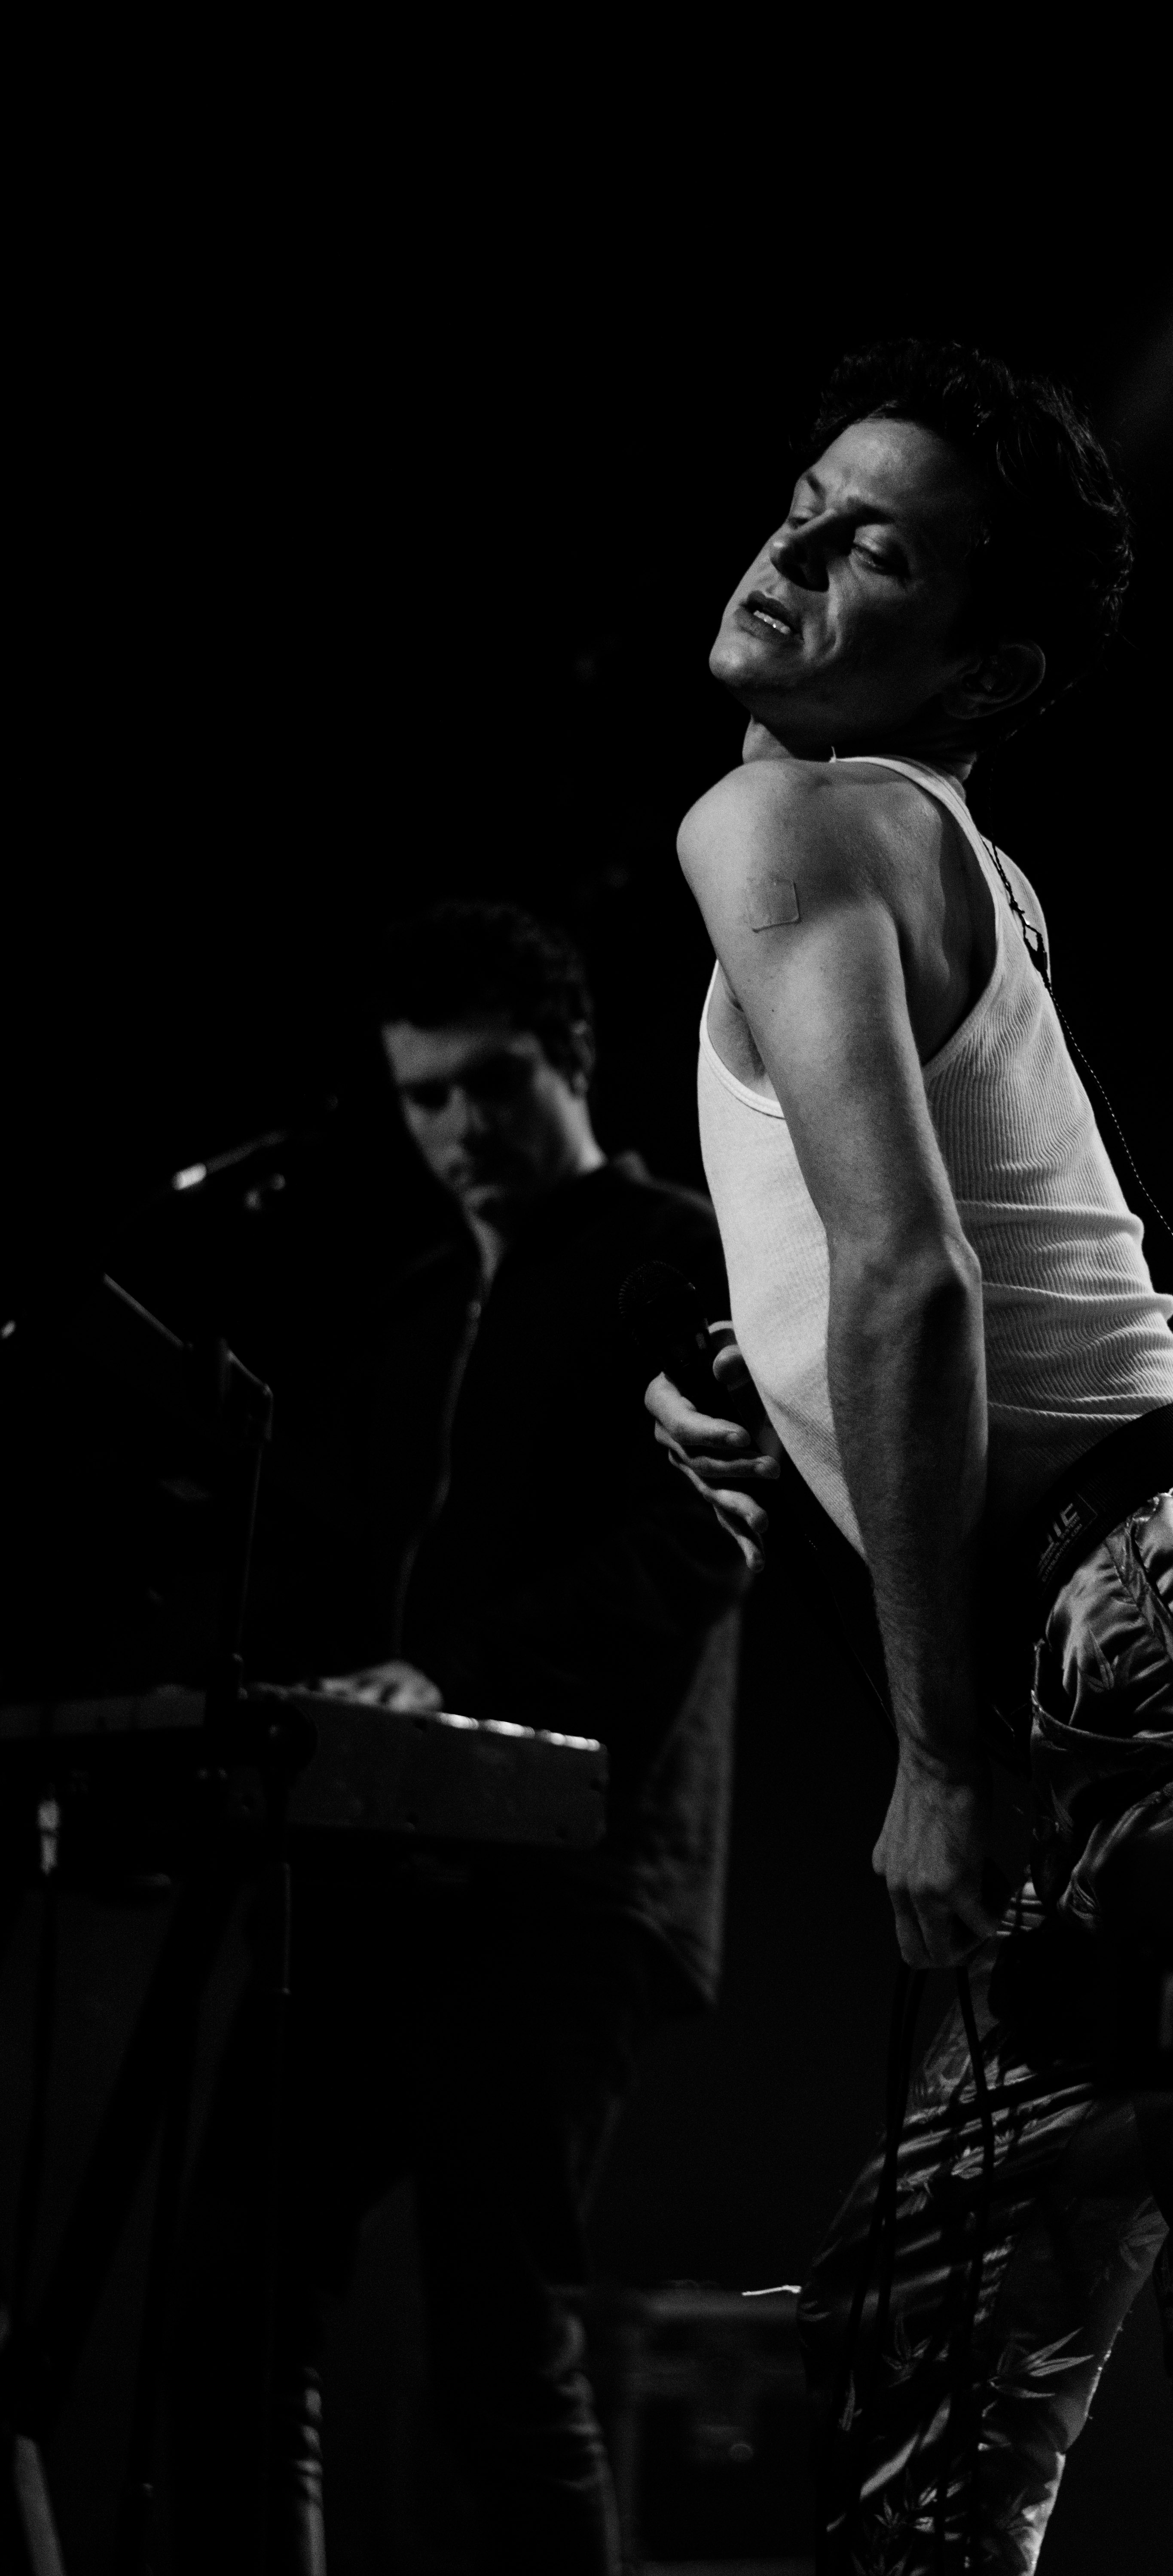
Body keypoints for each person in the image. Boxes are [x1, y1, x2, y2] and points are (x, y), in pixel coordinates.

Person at [647, 342, 1173, 2573]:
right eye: (807, 500)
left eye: (878, 550)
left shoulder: (776, 820)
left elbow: (919, 1279)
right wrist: (767, 1368)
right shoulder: (953, 861)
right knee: (909, 2386)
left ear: (984, 667)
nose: (798, 550)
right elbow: (956, 1254)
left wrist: (933, 1756)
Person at [171, 901, 746, 2573]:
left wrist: (452, 1675)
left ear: (570, 1059)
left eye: (490, 1084)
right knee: (235, 2295)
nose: (457, 1128)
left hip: (574, 1883)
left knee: (497, 2343)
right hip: (383, 1872)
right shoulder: (415, 1307)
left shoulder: (679, 1258)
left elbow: (700, 1545)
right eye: (423, 1097)